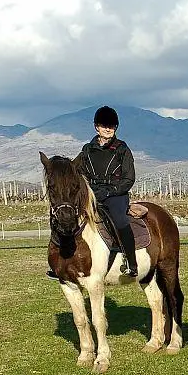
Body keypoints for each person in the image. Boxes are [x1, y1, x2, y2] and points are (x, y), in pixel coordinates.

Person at [48, 105, 138, 279]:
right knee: (66, 217)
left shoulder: (122, 149)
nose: (108, 129)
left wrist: (111, 191)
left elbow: (129, 178)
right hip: (92, 193)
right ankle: (59, 263)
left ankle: (131, 262)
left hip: (116, 195)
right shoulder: (87, 150)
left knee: (120, 220)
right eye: (104, 125)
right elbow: (79, 174)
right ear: (97, 126)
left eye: (111, 126)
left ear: (116, 127)